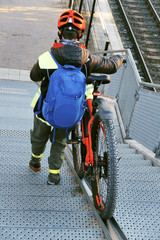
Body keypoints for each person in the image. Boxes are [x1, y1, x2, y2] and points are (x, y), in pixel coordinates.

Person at [29, 9, 123, 185]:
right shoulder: (87, 59)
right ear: (80, 34)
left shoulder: (47, 57)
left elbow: (33, 76)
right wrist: (119, 57)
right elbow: (110, 66)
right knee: (60, 143)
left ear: (60, 32)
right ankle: (53, 176)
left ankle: (35, 162)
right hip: (68, 114)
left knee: (38, 138)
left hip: (44, 111)